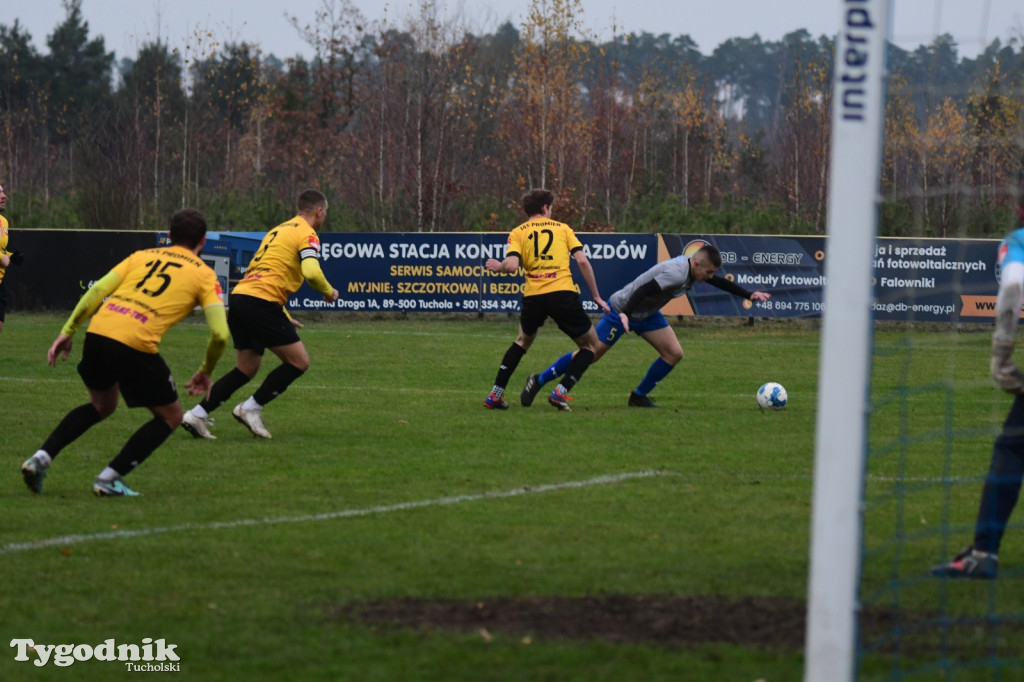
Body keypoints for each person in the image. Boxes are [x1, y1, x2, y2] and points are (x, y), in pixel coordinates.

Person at [20, 209, 228, 497]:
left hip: (98, 334)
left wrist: (68, 332)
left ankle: (40, 459)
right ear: (203, 241)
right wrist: (206, 370)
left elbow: (95, 292)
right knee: (171, 416)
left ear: (169, 237)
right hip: (133, 344)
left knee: (102, 406)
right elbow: (220, 333)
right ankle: (109, 478)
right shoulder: (205, 275)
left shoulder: (141, 256)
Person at [520, 244, 771, 408]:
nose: (709, 277)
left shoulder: (693, 268)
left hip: (647, 314)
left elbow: (718, 283)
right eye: (708, 272)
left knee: (673, 353)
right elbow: (642, 290)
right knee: (590, 354)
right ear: (696, 264)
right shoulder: (675, 272)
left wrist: (748, 294)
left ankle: (638, 396)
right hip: (623, 309)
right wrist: (627, 315)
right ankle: (538, 380)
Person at [181, 189, 339, 440]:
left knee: (246, 368)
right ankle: (250, 408)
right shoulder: (307, 233)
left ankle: (197, 414)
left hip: (241, 298)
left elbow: (264, 272)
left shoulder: (278, 231)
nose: (324, 217)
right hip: (260, 302)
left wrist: (283, 314)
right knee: (299, 362)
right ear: (319, 211)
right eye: (325, 212)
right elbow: (311, 271)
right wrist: (329, 292)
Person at [930, 199, 1024, 579]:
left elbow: (1014, 284)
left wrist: (1002, 352)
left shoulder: (1017, 241)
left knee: (1011, 449)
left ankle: (983, 554)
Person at [483, 188, 610, 412]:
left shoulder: (518, 232)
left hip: (534, 296)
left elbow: (511, 266)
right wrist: (597, 296)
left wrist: (498, 267)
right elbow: (582, 262)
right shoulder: (563, 229)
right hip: (562, 293)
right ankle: (560, 392)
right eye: (550, 208)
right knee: (591, 346)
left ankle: (496, 395)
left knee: (522, 341)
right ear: (545, 208)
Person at [0, 183, 26, 334]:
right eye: (0, 193)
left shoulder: (4, 222)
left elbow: (1, 250)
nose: (4, 196)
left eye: (3, 192)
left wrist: (11, 256)